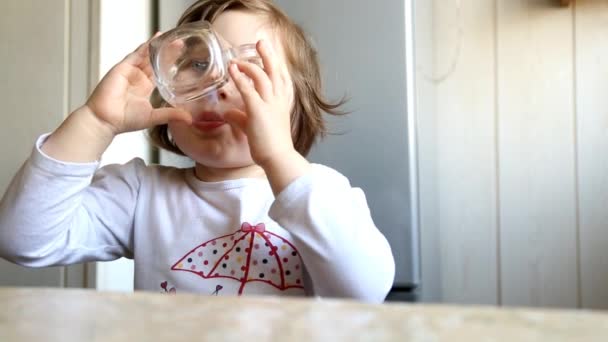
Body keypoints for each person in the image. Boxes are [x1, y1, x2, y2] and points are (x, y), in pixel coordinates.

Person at [0, 0, 395, 303]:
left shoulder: (317, 193)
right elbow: (22, 240)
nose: (217, 84)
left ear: (295, 104)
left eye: (250, 66)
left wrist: (278, 154)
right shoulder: (141, 193)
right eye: (197, 64)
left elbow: (363, 291)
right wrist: (96, 122)